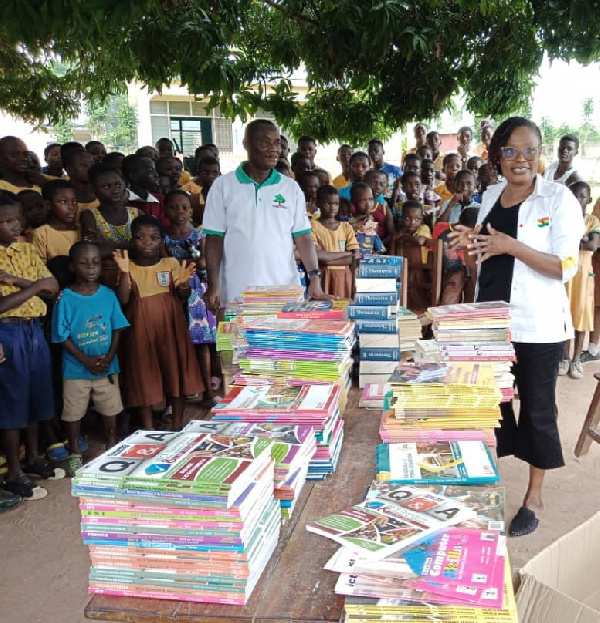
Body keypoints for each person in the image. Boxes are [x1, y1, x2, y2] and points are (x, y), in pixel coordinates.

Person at [448, 116, 584, 537]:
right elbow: (483, 257)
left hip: (538, 326)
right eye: (510, 150)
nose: (520, 159)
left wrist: (512, 246)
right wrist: (469, 243)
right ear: (498, 156)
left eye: (529, 150)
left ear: (540, 156)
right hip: (488, 320)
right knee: (489, 405)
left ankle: (534, 496)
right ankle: (487, 483)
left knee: (538, 410)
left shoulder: (558, 200)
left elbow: (564, 267)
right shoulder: (490, 194)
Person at [203, 119, 328, 308]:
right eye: (265, 142)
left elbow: (303, 237)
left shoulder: (290, 188)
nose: (273, 149)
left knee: (284, 338)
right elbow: (214, 239)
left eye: (277, 142)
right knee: (239, 339)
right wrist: (214, 284)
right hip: (237, 292)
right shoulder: (223, 187)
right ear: (246, 144)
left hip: (284, 291)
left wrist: (314, 279)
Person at [114, 215, 205, 430]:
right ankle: (148, 429)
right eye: (140, 237)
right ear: (132, 240)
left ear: (161, 241)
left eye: (154, 238)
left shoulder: (170, 263)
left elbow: (183, 293)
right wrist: (124, 272)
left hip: (170, 328)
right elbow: (123, 299)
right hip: (140, 331)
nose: (147, 242)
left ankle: (176, 425)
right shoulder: (130, 267)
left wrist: (184, 283)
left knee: (176, 373)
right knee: (144, 375)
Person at [0, 195, 61, 501]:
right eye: (8, 221)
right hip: (7, 333)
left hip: (33, 331)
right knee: (13, 403)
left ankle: (33, 457)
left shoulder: (25, 249)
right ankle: (13, 473)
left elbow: (52, 286)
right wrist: (34, 286)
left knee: (37, 396)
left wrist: (16, 281)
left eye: (18, 219)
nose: (16, 225)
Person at [50, 241, 129, 473]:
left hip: (107, 366)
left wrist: (110, 356)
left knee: (110, 409)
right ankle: (74, 451)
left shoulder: (108, 295)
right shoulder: (65, 298)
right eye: (84, 264)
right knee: (73, 413)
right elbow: (61, 336)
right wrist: (84, 359)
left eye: (95, 263)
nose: (91, 269)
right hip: (76, 369)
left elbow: (117, 327)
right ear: (73, 267)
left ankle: (111, 447)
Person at [163, 191, 218, 405]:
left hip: (197, 291)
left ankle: (208, 390)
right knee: (176, 342)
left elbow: (204, 262)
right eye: (174, 207)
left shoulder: (198, 234)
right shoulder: (164, 236)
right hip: (174, 290)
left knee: (203, 341)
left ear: (191, 211)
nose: (180, 212)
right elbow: (164, 263)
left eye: (185, 208)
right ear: (166, 210)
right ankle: (180, 393)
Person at [560, 182, 600, 379]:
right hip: (567, 276)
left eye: (582, 197)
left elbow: (592, 246)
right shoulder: (563, 218)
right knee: (566, 316)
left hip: (584, 276)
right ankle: (565, 357)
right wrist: (582, 238)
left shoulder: (592, 221)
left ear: (589, 200)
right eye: (574, 196)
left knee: (582, 316)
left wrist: (577, 238)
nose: (578, 200)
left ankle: (576, 359)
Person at [80, 163, 141, 287]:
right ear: (94, 190)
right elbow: (95, 252)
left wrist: (108, 247)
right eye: (107, 186)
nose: (115, 190)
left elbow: (145, 248)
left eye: (118, 185)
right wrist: (130, 245)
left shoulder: (136, 213)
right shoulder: (89, 216)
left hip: (138, 276)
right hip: (107, 279)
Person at [311, 185, 360, 298]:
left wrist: (328, 261)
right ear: (318, 203)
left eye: (336, 204)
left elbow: (356, 257)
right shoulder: (313, 226)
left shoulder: (346, 227)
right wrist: (347, 254)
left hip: (344, 276)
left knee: (344, 307)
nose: (332, 207)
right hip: (323, 276)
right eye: (328, 203)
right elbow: (317, 256)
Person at [433, 206, 479, 305]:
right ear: (459, 225)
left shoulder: (477, 236)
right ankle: (446, 311)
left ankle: (469, 311)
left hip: (469, 271)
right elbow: (431, 252)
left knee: (473, 280)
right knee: (457, 278)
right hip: (449, 272)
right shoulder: (441, 228)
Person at [32, 180, 80, 265]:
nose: (72, 206)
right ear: (48, 205)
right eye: (63, 201)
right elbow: (40, 268)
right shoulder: (42, 233)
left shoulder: (82, 229)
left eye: (75, 201)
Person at [121, 154, 167, 226]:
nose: (156, 175)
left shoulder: (161, 200)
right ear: (133, 176)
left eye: (155, 170)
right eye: (150, 171)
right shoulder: (123, 203)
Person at [350, 183, 385, 257]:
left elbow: (376, 244)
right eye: (363, 201)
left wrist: (375, 254)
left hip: (368, 261)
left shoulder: (370, 222)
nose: (368, 204)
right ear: (353, 201)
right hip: (352, 260)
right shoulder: (348, 222)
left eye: (370, 199)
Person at [63, 149, 98, 220]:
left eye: (92, 164)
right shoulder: (62, 195)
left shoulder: (101, 191)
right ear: (70, 170)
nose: (90, 168)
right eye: (83, 165)